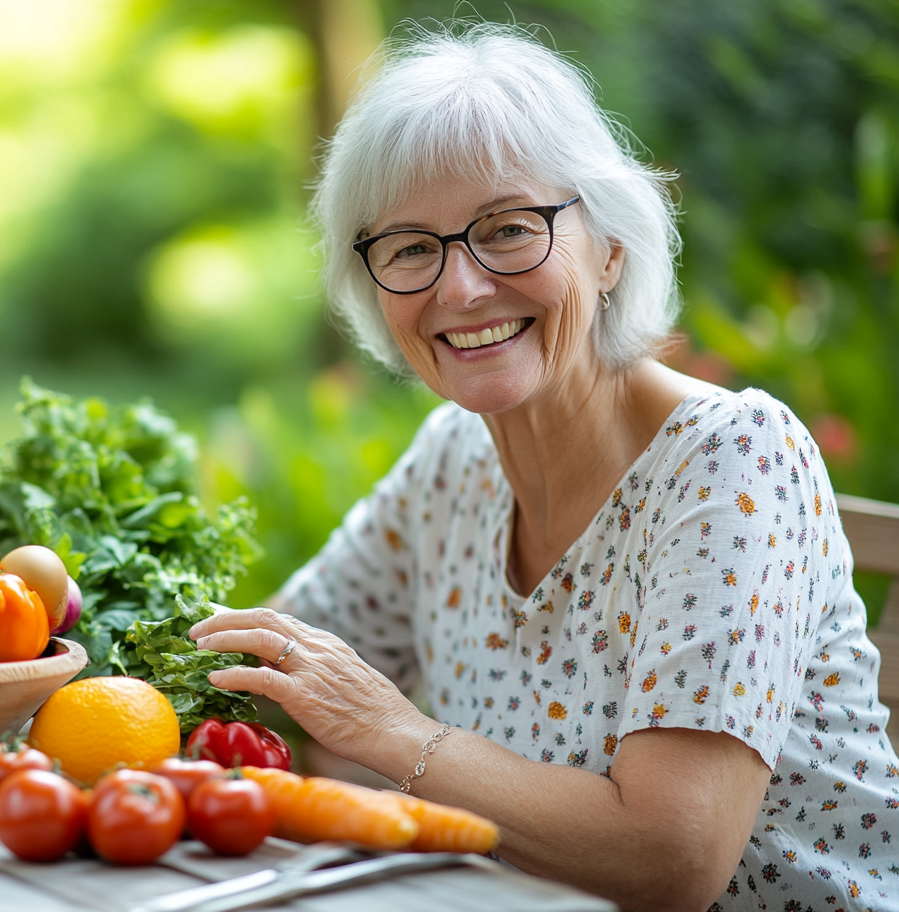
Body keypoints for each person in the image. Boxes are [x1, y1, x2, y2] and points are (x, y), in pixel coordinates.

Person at [188, 22, 899, 912]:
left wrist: (392, 735)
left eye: (509, 228)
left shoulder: (731, 460)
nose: (460, 289)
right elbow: (275, 669)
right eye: (410, 247)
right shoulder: (452, 463)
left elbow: (671, 858)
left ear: (608, 248)